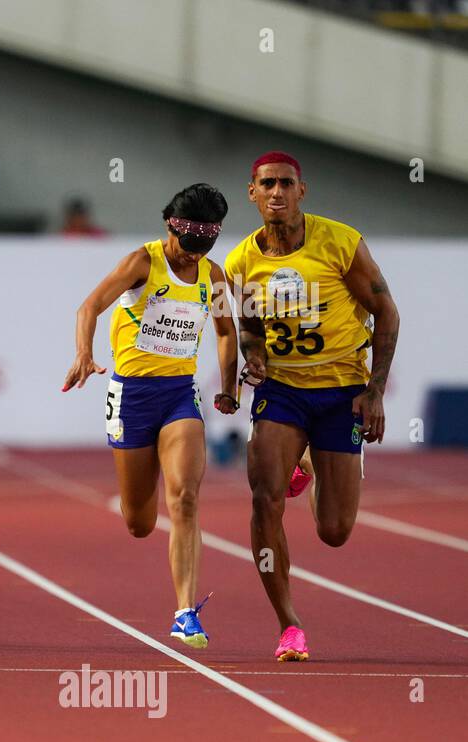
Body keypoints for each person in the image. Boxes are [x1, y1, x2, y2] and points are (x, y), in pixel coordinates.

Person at [225, 151, 400, 662]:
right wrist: (253, 360)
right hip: (281, 392)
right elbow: (250, 329)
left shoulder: (341, 244)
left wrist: (375, 391)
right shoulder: (241, 262)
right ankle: (289, 624)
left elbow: (386, 312)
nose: (276, 192)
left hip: (341, 390)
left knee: (334, 532)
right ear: (252, 193)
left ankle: (310, 462)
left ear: (302, 191)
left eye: (285, 184)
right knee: (263, 498)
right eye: (266, 185)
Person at [63, 184, 239, 648]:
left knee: (184, 499)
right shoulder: (143, 262)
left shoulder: (214, 277)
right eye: (185, 247)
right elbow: (89, 306)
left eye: (201, 250)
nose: (189, 259)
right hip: (132, 396)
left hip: (180, 395)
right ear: (169, 227)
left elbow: (225, 331)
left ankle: (185, 611)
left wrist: (229, 385)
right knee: (139, 522)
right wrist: (85, 353)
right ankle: (137, 496)